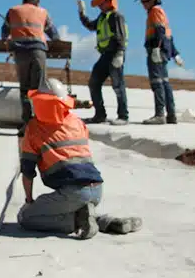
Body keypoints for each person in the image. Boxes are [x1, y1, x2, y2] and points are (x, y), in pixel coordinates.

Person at [17, 78, 142, 238]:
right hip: (96, 189)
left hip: (73, 192)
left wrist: (29, 201)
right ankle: (107, 222)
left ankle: (77, 221)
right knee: (72, 204)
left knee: (26, 217)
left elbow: (27, 171)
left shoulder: (34, 128)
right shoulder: (76, 122)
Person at [1, 0, 59, 125]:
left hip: (20, 54)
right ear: (37, 1)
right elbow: (54, 34)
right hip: (38, 52)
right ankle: (39, 121)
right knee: (38, 88)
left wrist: (7, 39)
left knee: (25, 89)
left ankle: (27, 123)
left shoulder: (13, 11)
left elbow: (4, 32)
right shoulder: (42, 12)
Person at [76, 0, 129, 125]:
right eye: (98, 4)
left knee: (118, 85)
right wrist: (82, 14)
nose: (100, 6)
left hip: (115, 54)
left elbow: (121, 36)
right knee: (94, 82)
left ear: (109, 1)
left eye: (101, 3)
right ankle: (100, 115)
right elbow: (90, 25)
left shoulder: (116, 16)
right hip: (105, 55)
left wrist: (120, 53)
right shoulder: (102, 18)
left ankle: (123, 116)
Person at [137, 0, 183, 124]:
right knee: (164, 82)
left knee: (157, 82)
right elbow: (168, 35)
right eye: (142, 2)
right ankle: (171, 115)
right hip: (163, 50)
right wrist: (175, 54)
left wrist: (156, 48)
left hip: (156, 51)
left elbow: (160, 31)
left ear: (152, 0)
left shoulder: (155, 12)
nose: (143, 5)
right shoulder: (160, 12)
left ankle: (160, 115)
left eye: (145, 2)